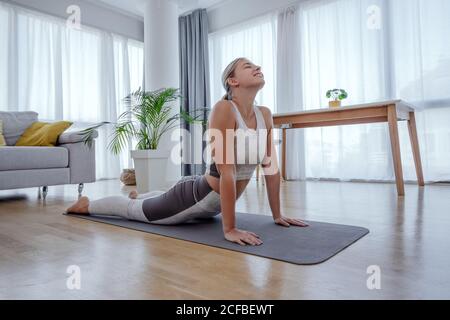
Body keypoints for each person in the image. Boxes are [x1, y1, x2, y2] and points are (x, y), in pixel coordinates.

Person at [66, 57, 309, 246]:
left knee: (157, 199)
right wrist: (229, 229)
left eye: (257, 65)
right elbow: (227, 172)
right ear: (232, 81)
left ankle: (143, 195)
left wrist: (278, 215)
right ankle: (87, 204)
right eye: (248, 66)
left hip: (210, 202)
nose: (258, 67)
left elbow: (271, 167)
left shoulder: (264, 113)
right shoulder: (224, 108)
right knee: (134, 212)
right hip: (194, 197)